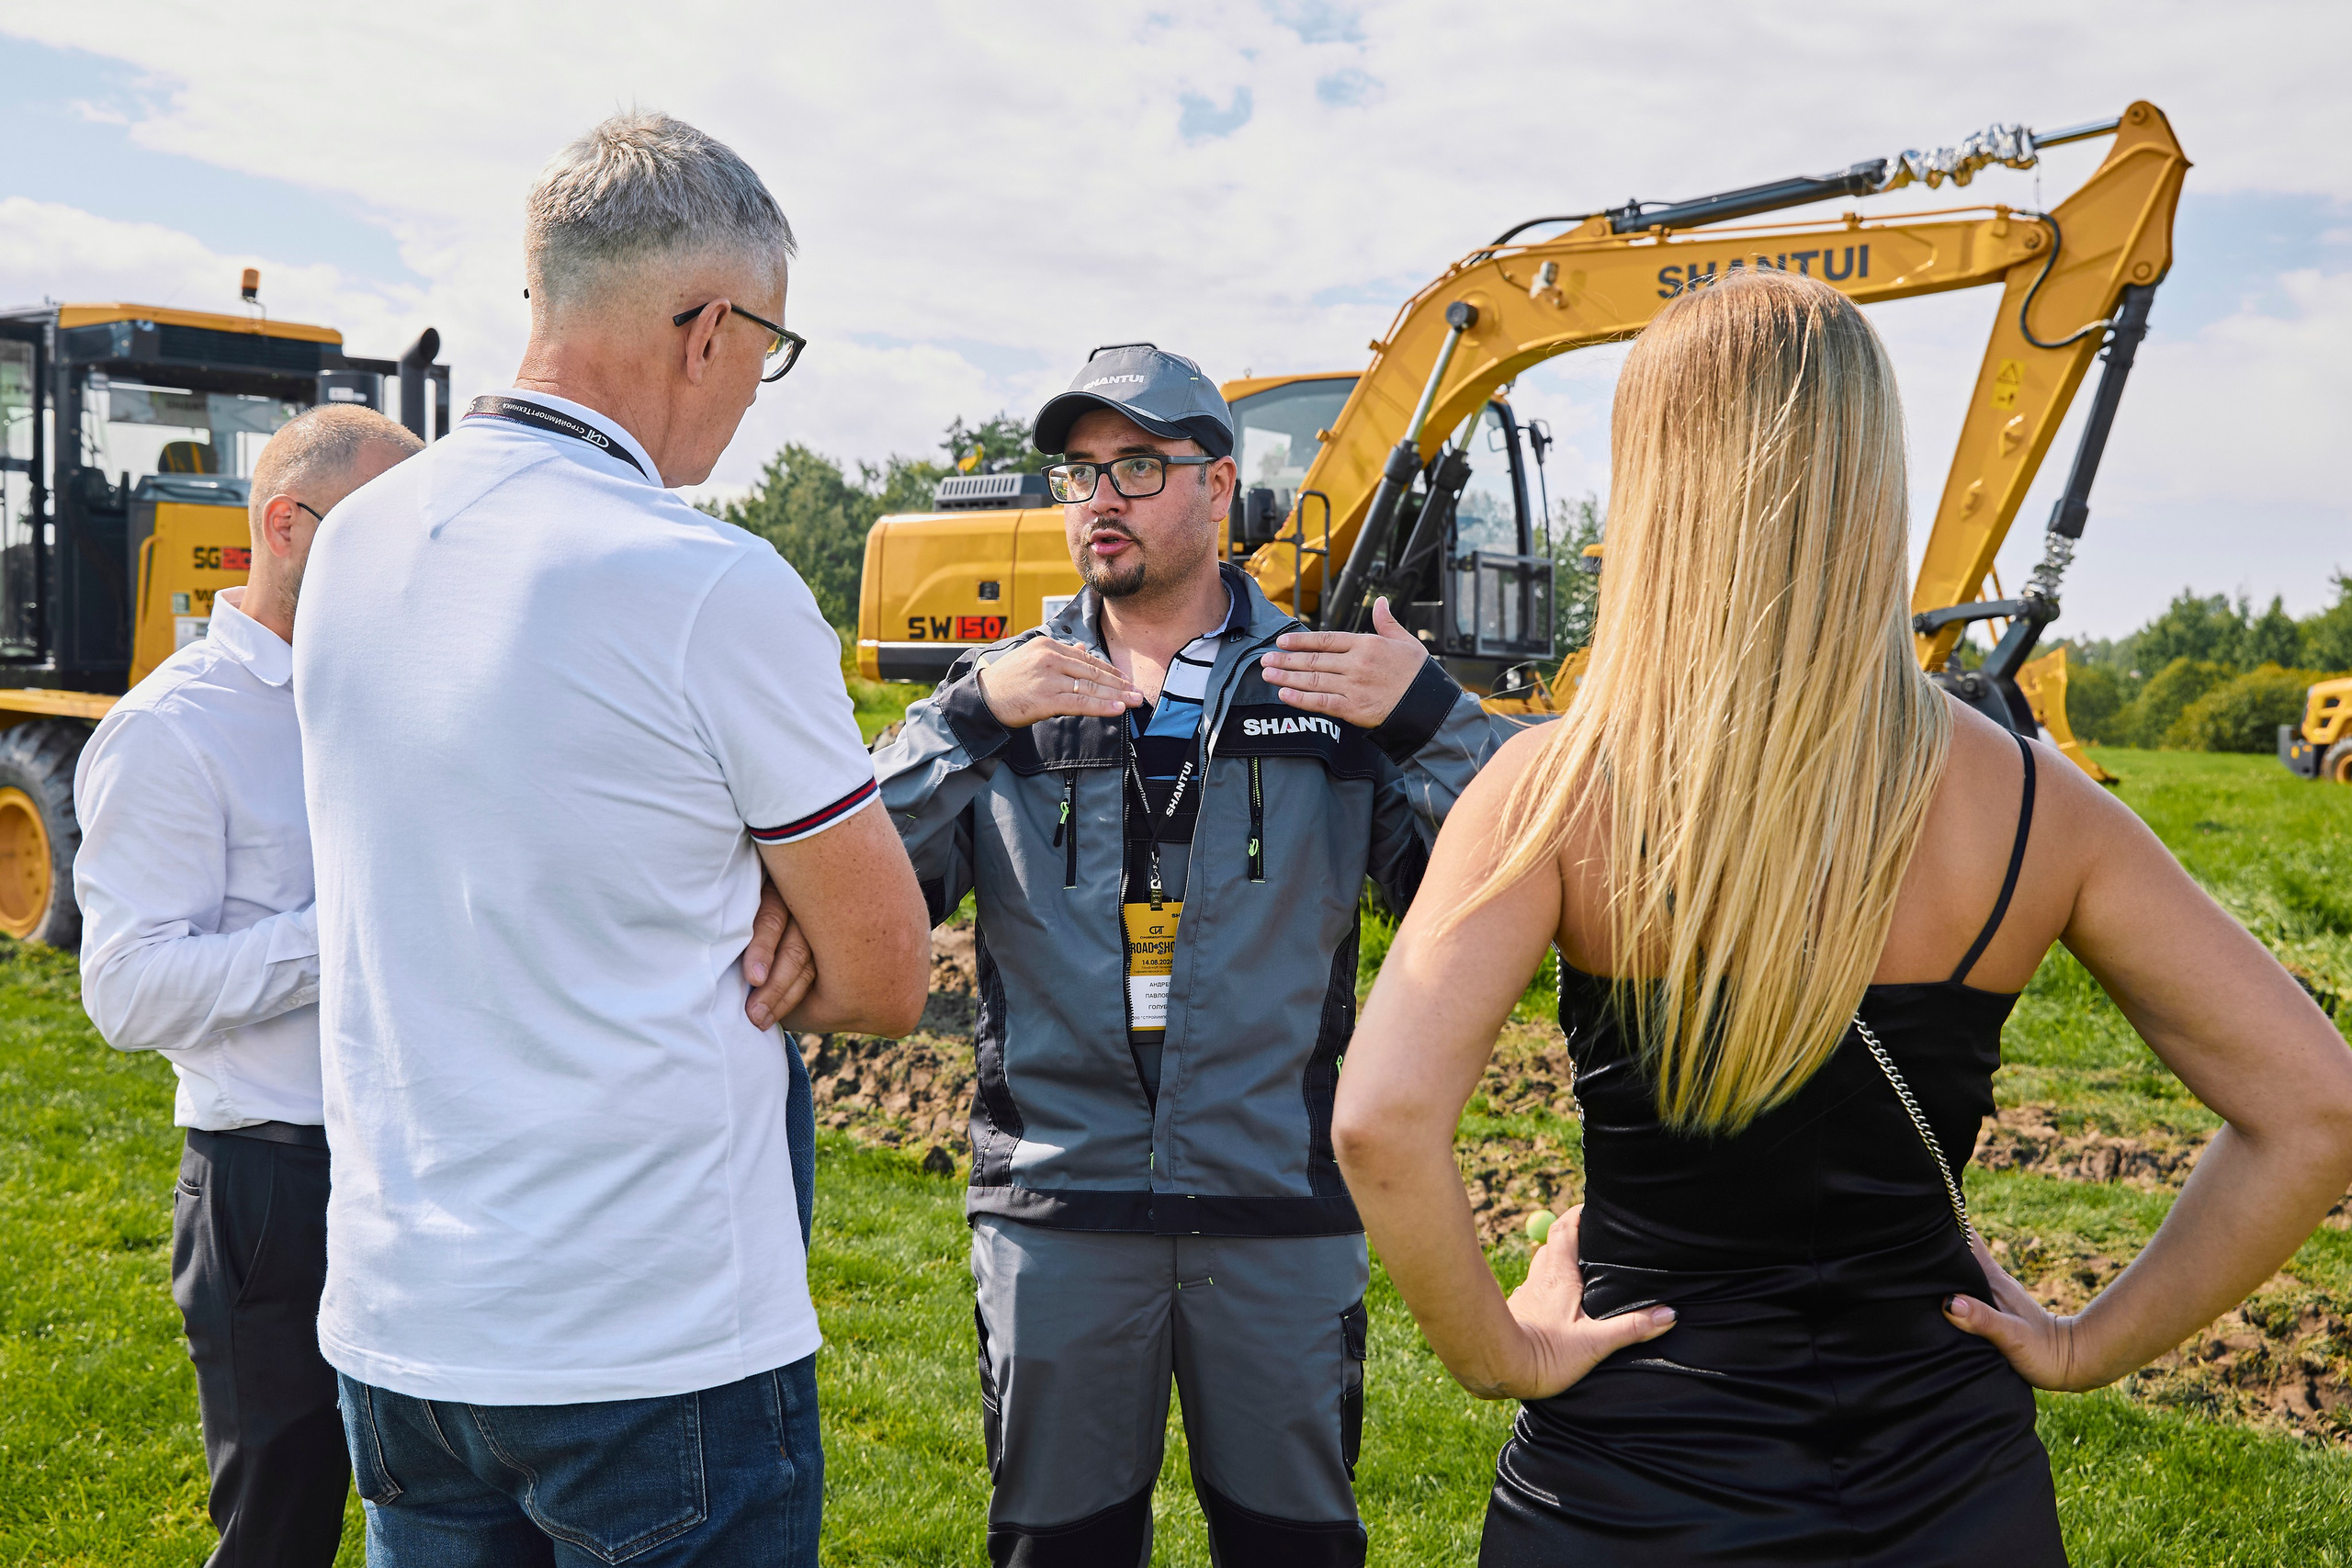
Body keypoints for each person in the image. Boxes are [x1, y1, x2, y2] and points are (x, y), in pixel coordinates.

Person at [1331, 268, 2352, 1566]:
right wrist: (2089, 1343)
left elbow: (1380, 1120)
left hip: (1631, 1487)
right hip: (1950, 1492)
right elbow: (2315, 1106)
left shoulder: (1556, 787)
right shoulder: (2039, 804)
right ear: (1873, 475)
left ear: (1657, 489)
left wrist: (1502, 1349)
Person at [293, 111, 928, 1565]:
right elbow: (887, 971)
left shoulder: (358, 544)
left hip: (401, 1318)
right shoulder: (704, 579)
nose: (756, 391)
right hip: (651, 1334)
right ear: (708, 329)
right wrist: (760, 929)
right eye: (767, 349)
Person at [872, 343, 1532, 1565]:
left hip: (1274, 1216)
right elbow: (858, 870)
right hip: (1058, 1214)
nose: (1100, 498)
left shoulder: (1324, 692)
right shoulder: (1005, 693)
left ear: (1218, 490)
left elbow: (1524, 862)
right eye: (1079, 472)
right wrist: (964, 719)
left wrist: (1434, 714)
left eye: (1137, 464)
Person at [74, 403, 423, 1567]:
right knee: (281, 1525)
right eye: (389, 533)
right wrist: (349, 933)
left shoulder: (401, 702)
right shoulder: (171, 731)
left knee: (436, 1503)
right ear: (285, 524)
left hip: (420, 1160)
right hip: (271, 1186)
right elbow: (126, 992)